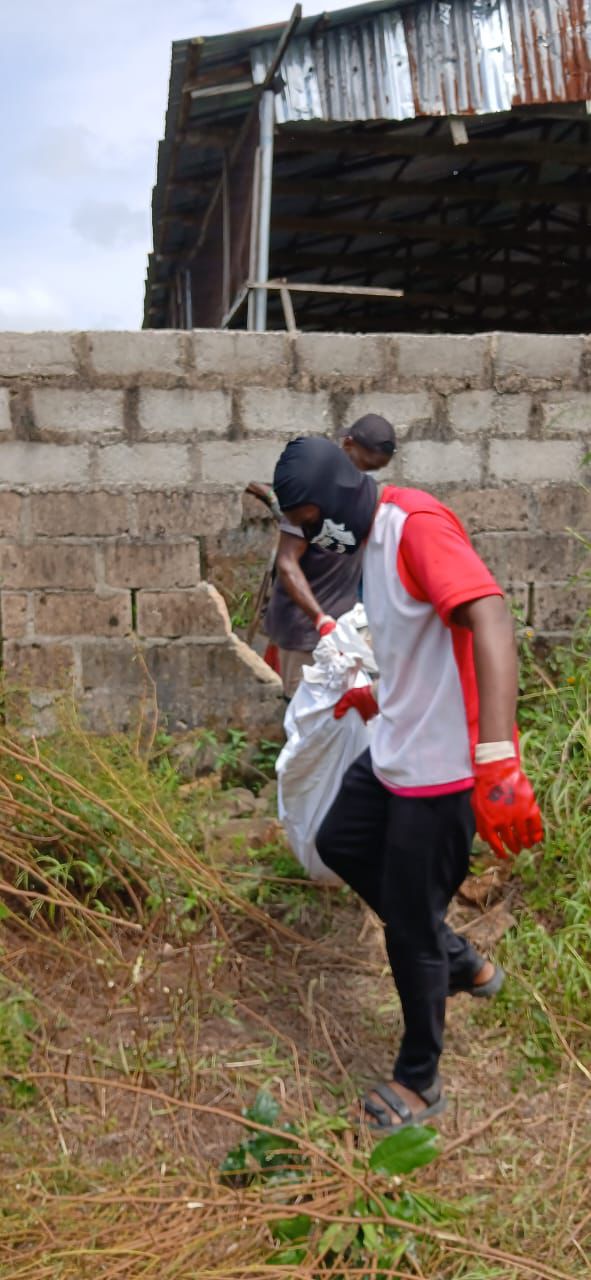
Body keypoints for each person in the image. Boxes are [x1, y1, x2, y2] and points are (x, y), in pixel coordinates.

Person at [272, 436, 543, 1133]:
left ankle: (419, 1080)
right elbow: (410, 637)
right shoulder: (365, 543)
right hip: (396, 739)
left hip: (444, 765)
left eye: (309, 519)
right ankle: (458, 958)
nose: (307, 535)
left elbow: (489, 615)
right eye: (297, 524)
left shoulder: (414, 526)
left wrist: (495, 756)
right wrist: (374, 689)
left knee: (406, 928)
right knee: (339, 840)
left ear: (336, 498)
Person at [249, 415, 396, 698]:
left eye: (375, 467)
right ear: (348, 445)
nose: (366, 472)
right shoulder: (311, 489)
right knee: (303, 711)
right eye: (366, 463)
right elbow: (287, 561)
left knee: (343, 711)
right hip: (304, 627)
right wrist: (320, 619)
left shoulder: (363, 493)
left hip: (343, 625)